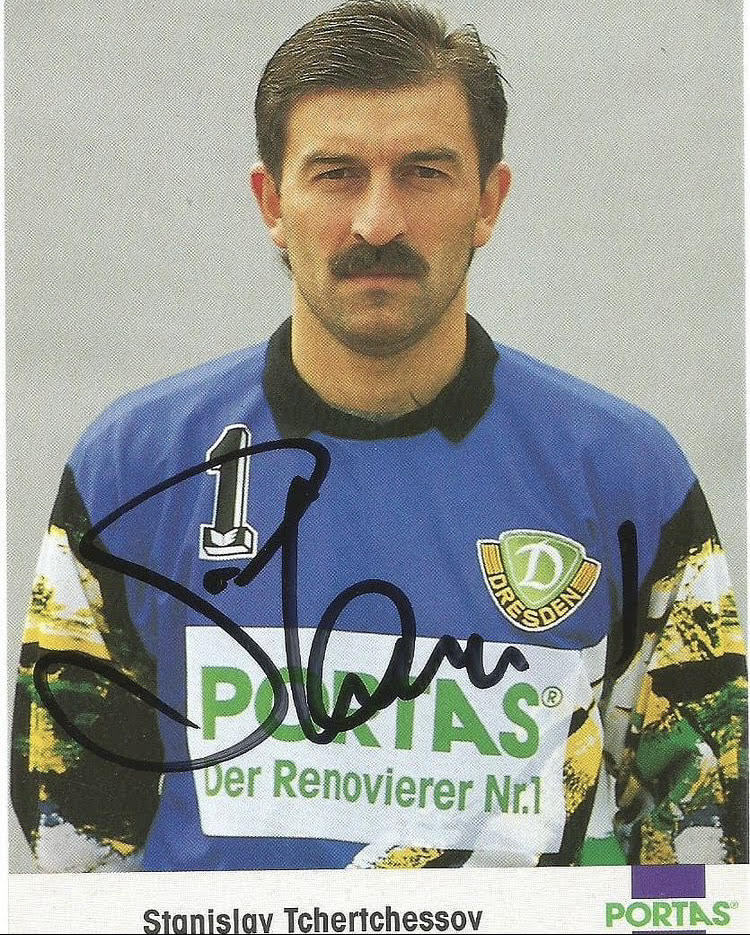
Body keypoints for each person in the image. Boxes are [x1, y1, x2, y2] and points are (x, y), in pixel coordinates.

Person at [11, 0, 747, 872]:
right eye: (336, 174)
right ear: (271, 202)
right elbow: (72, 841)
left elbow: (702, 847)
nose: (377, 222)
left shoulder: (625, 477)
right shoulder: (135, 468)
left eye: (424, 173)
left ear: (488, 200)